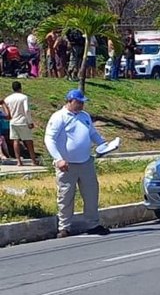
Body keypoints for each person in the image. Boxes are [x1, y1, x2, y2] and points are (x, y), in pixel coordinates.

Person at [44, 89, 110, 237]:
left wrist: (103, 144)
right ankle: (64, 227)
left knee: (91, 194)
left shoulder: (84, 116)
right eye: (79, 102)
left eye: (82, 102)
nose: (81, 105)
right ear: (70, 101)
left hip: (85, 162)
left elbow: (92, 133)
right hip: (67, 165)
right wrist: (58, 159)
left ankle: (93, 224)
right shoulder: (59, 117)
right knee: (66, 195)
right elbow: (49, 139)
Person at [4, 81, 37, 166]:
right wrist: (30, 122)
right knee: (29, 141)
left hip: (13, 122)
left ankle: (19, 161)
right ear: (20, 88)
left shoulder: (7, 99)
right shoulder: (24, 97)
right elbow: (26, 110)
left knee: (16, 141)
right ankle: (33, 160)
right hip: (23, 121)